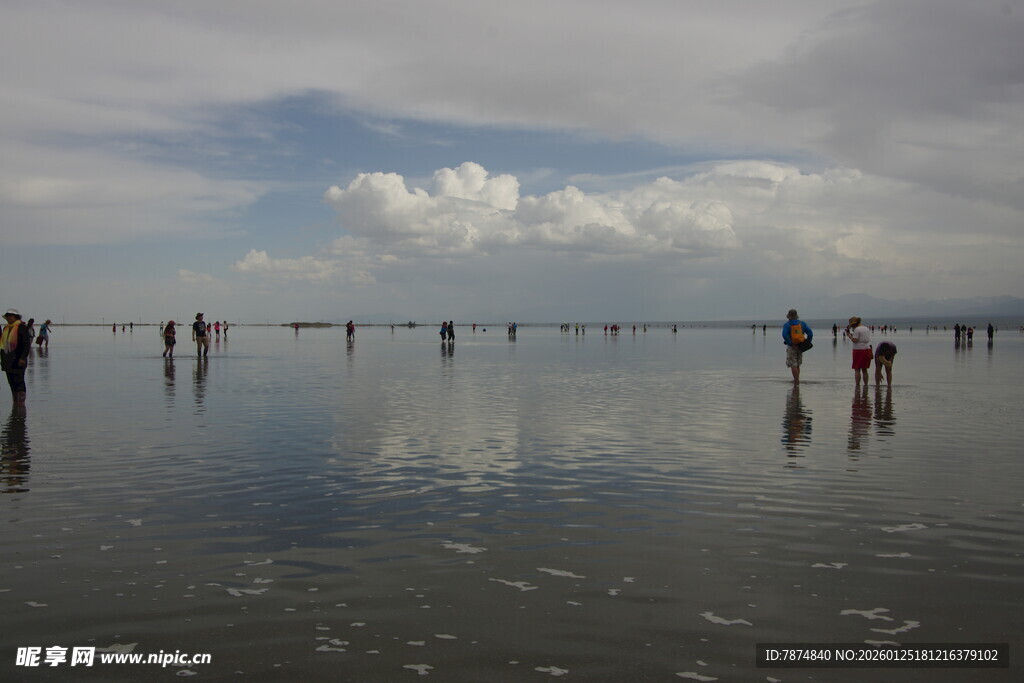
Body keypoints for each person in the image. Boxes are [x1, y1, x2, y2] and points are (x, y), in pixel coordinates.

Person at [1, 309, 31, 405]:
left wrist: (22, 358)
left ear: (16, 317)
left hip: (18, 359)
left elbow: (26, 344)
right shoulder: (5, 329)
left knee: (19, 381)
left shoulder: (22, 327)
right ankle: (15, 403)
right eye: (7, 316)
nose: (9, 318)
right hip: (8, 360)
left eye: (11, 316)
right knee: (11, 382)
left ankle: (20, 403)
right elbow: (3, 345)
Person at [781, 309, 813, 384]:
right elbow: (810, 333)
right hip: (800, 346)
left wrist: (790, 343)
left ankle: (796, 381)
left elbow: (784, 335)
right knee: (797, 364)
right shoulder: (802, 324)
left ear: (789, 316)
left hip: (792, 346)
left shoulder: (787, 325)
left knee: (793, 364)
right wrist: (807, 343)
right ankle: (797, 380)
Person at [845, 316, 871, 386]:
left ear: (853, 324)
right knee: (865, 370)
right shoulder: (866, 328)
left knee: (857, 369)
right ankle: (866, 385)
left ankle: (857, 385)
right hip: (867, 349)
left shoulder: (857, 329)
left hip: (858, 350)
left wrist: (850, 336)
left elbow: (855, 340)